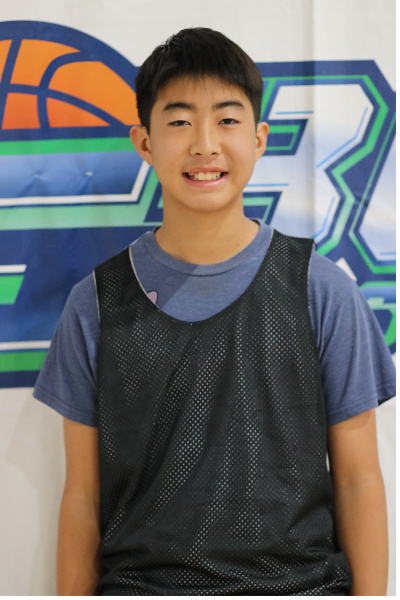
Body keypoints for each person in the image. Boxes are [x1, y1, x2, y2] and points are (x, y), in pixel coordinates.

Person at [33, 28, 396, 596]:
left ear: (259, 138)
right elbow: (81, 496)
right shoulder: (96, 304)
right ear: (144, 141)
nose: (205, 145)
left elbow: (358, 480)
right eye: (180, 121)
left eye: (227, 119)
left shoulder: (320, 290)